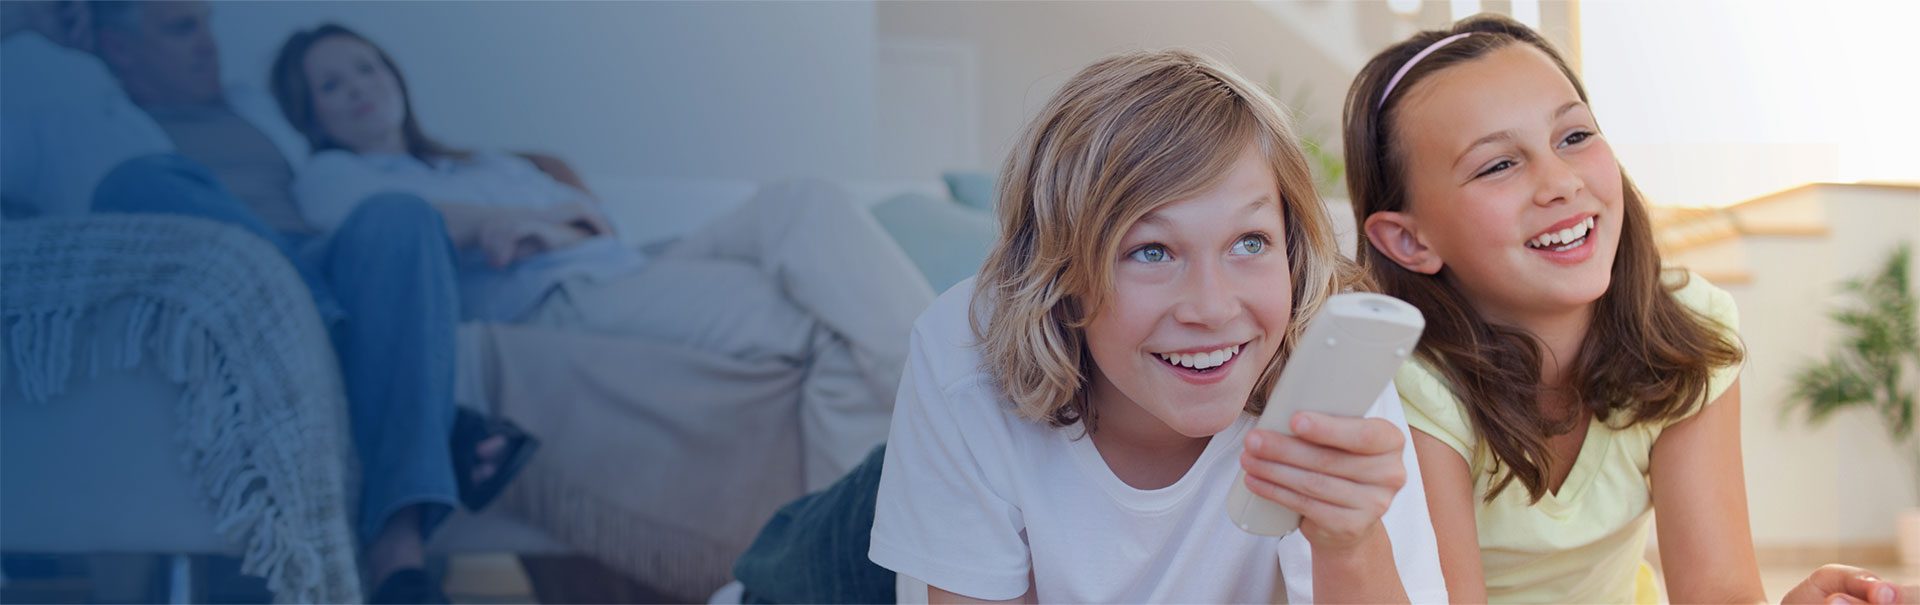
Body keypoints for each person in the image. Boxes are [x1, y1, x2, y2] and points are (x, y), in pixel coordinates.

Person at [1342, 13, 1914, 604]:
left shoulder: (1687, 327)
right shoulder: (1411, 383)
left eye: (1574, 137)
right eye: (1498, 165)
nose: (1560, 181)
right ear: (1410, 241)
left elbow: (1717, 592)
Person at [866, 49, 1448, 603]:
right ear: (1062, 275)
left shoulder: (1326, 361)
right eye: (1151, 251)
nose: (1214, 309)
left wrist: (1349, 542)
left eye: (1250, 242)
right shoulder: (965, 352)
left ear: (1292, 253)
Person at [269, 23, 933, 494]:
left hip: (631, 264)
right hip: (565, 300)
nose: (359, 87)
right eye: (332, 85)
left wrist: (539, 225)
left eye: (367, 67)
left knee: (802, 199)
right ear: (313, 115)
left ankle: (939, 397)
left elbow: (592, 220)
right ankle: (946, 415)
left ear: (394, 75)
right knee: (821, 325)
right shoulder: (332, 175)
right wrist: (509, 222)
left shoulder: (481, 162)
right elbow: (391, 228)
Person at [80, 2, 537, 601]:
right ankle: (391, 385)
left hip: (314, 267)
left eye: (207, 23)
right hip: (223, 280)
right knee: (139, 179)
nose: (209, 44)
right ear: (119, 50)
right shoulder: (92, 114)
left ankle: (398, 563)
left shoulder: (253, 106)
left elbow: (332, 189)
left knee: (401, 215)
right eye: (181, 29)